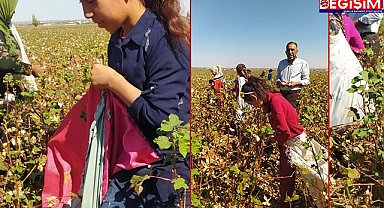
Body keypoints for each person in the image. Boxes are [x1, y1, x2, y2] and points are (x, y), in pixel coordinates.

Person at [42, 0, 190, 207]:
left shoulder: (165, 40)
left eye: (92, 1)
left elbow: (165, 120)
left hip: (166, 168)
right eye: (82, 3)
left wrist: (114, 82)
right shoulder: (117, 40)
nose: (87, 13)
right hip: (129, 162)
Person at [241, 76, 327, 208]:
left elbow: (284, 131)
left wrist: (272, 139)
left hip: (296, 143)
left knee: (313, 177)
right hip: (291, 142)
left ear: (254, 96)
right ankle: (288, 202)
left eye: (251, 103)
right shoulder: (273, 99)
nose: (254, 107)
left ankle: (324, 200)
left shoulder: (275, 102)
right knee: (294, 176)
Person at [0, 0, 43, 101]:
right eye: (12, 10)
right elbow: (2, 61)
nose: (14, 13)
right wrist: (30, 69)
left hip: (10, 91)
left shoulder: (5, 29)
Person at [276, 41, 310, 113]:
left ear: (297, 51)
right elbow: (278, 76)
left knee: (292, 114)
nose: (290, 52)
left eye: (292, 50)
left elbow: (306, 80)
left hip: (294, 94)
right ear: (286, 52)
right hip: (282, 92)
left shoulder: (302, 63)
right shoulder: (281, 63)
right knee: (282, 113)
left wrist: (295, 83)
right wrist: (279, 82)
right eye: (288, 50)